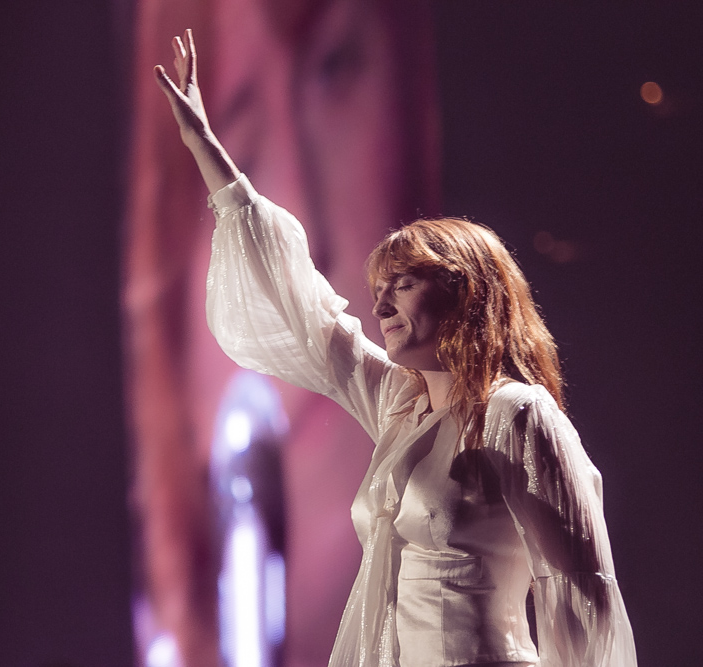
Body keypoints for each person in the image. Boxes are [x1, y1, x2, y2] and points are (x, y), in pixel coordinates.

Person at [155, 29, 637, 667]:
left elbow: (583, 594)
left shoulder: (518, 416)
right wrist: (208, 151)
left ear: (465, 293)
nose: (380, 306)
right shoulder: (400, 408)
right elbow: (308, 315)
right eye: (378, 290)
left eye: (403, 286)